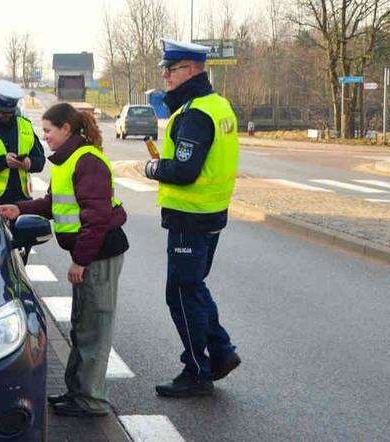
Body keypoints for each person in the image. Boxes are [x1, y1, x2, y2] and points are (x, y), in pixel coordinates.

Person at [0, 103, 129, 417]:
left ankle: (92, 400)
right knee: (83, 326)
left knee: (94, 327)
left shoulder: (86, 161)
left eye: (47, 130)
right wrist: (20, 208)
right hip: (92, 252)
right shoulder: (69, 160)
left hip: (100, 253)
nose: (45, 138)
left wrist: (81, 261)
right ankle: (78, 392)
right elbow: (54, 202)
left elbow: (96, 218)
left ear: (66, 129)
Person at [142, 38, 242, 398]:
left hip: (191, 216)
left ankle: (196, 370)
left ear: (192, 70)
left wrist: (153, 167)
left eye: (171, 69)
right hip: (211, 212)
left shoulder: (196, 113)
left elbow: (184, 170)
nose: (165, 76)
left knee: (181, 294)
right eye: (165, 70)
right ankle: (222, 352)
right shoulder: (219, 106)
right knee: (194, 286)